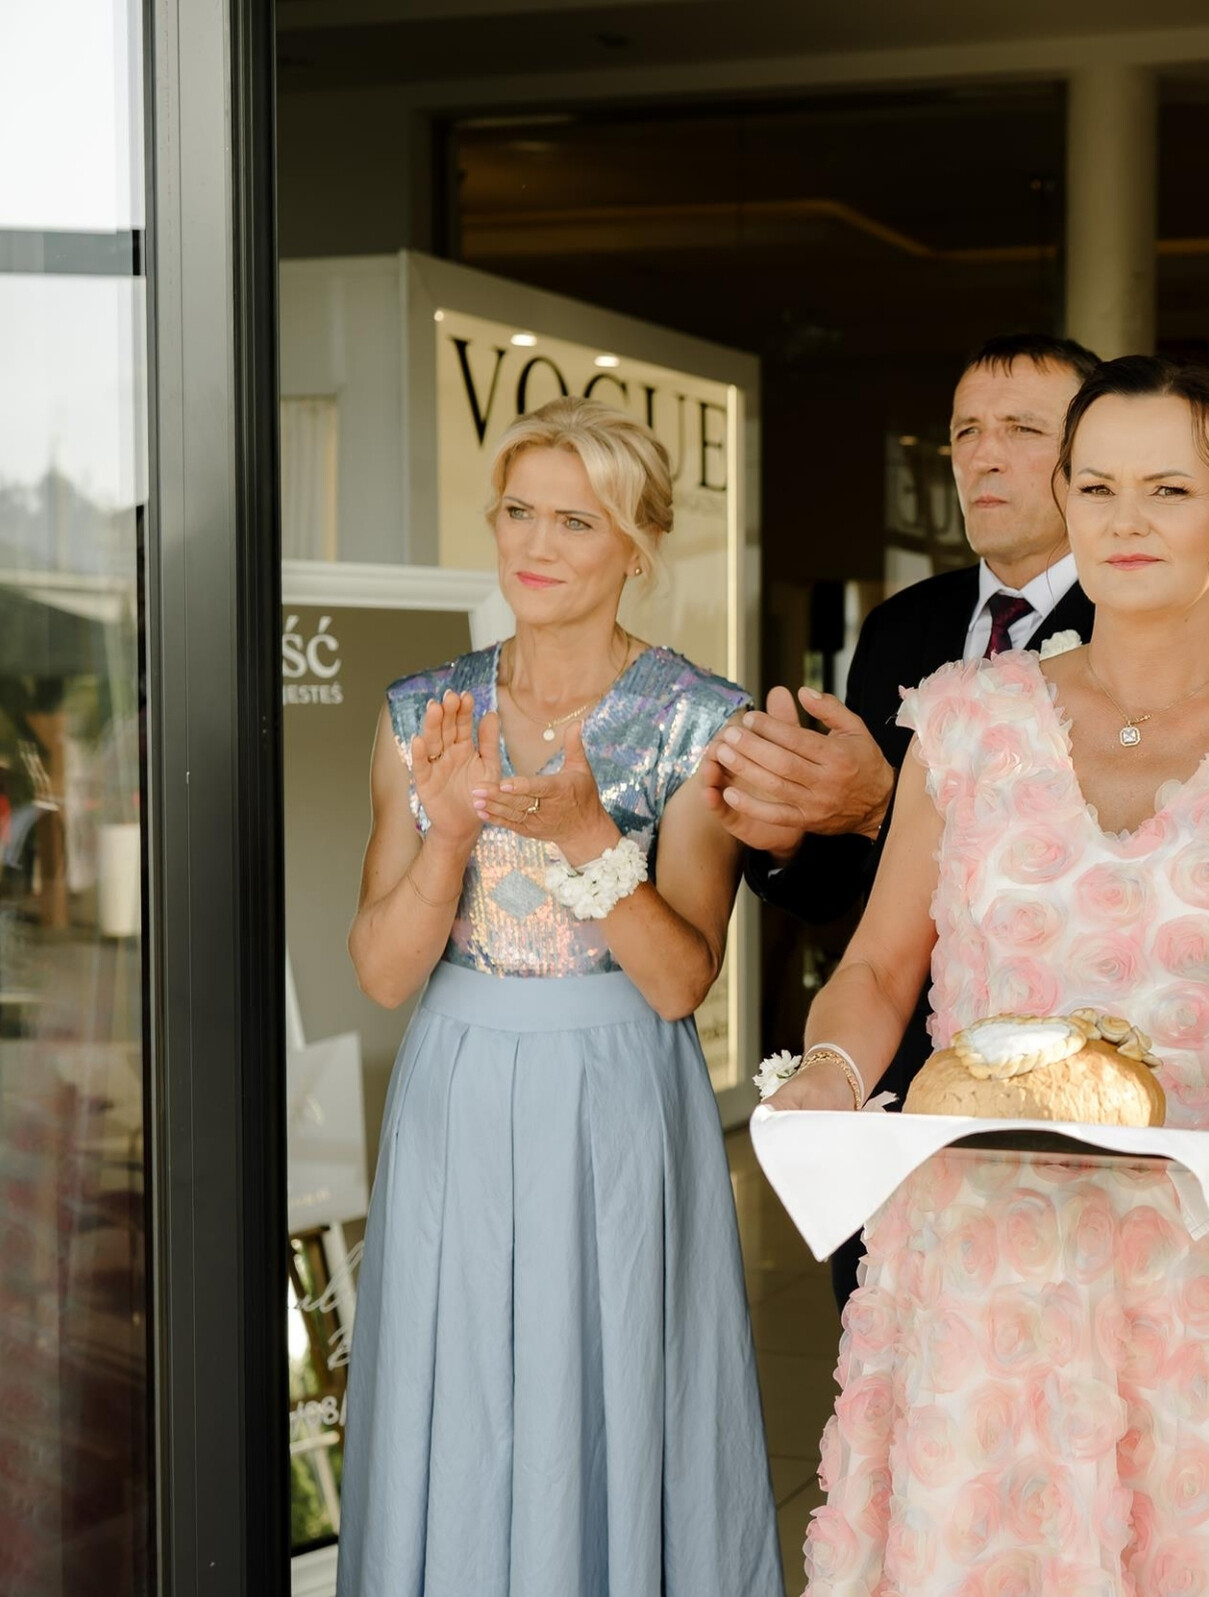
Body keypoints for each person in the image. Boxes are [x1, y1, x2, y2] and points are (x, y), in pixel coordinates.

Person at [764, 356, 1209, 1595]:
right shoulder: (961, 718)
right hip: (979, 1263)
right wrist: (831, 1072)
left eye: (1169, 489)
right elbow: (880, 968)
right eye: (1098, 486)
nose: (1125, 520)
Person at [705, 331, 1209, 1306]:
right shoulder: (902, 625)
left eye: (1021, 431)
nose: (984, 457)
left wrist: (883, 805)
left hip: (1096, 1108)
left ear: (1086, 461)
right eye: (965, 432)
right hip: (903, 1075)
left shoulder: (1166, 616)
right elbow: (846, 891)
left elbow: (1144, 877)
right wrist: (788, 829)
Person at [338, 397, 780, 1596]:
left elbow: (680, 979)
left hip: (617, 1090)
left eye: (576, 521)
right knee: (462, 1380)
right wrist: (448, 838)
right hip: (459, 1086)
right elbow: (381, 971)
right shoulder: (422, 711)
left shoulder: (702, 720)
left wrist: (588, 839)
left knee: (613, 1376)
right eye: (519, 512)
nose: (536, 545)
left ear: (637, 544)